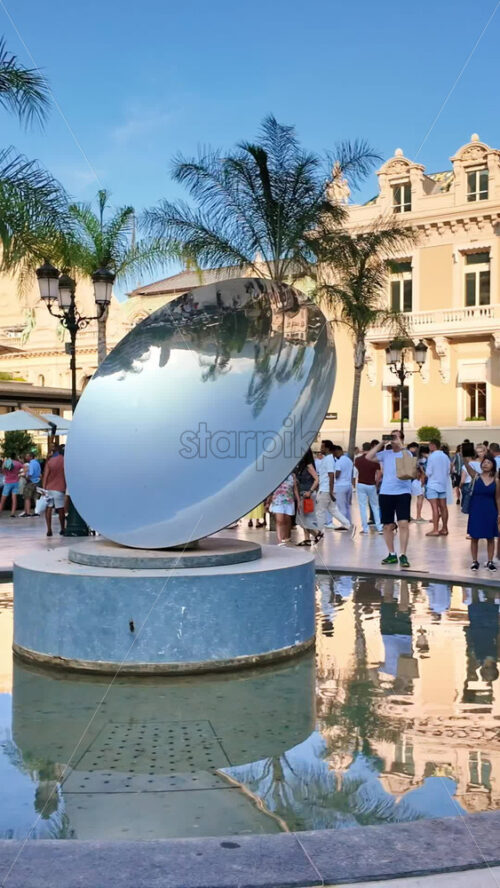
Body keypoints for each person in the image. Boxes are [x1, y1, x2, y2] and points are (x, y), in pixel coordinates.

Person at [365, 430, 413, 568]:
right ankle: (391, 554)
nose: (393, 439)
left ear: (402, 438)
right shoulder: (385, 454)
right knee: (387, 525)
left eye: (395, 436)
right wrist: (382, 443)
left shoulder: (406, 453)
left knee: (403, 523)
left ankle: (403, 554)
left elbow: (409, 463)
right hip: (386, 492)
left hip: (403, 492)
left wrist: (401, 445)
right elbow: (368, 457)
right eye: (391, 436)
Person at [463, 452, 500, 571]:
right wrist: (464, 457)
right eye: (484, 462)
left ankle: (490, 561)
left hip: (490, 510)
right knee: (474, 536)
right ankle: (474, 561)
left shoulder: (496, 480)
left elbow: (498, 498)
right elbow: (468, 469)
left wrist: (499, 513)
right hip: (476, 510)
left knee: (490, 537)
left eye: (488, 462)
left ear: (493, 465)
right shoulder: (476, 477)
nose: (485, 464)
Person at [316, 440, 355, 537]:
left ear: (328, 448)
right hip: (328, 489)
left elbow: (331, 475)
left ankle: (320, 532)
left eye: (322, 447)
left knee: (320, 511)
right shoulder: (330, 459)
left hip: (325, 490)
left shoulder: (328, 459)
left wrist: (330, 491)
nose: (321, 449)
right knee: (333, 510)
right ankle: (347, 524)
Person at [294, 448, 322, 546]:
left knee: (305, 518)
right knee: (302, 517)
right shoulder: (298, 468)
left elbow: (317, 479)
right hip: (302, 494)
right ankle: (307, 538)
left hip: (308, 495)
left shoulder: (308, 466)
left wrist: (310, 491)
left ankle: (317, 533)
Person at [355, 441, 383, 534]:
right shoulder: (374, 460)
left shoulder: (358, 460)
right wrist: (377, 482)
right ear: (371, 448)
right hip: (371, 484)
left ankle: (365, 529)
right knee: (375, 506)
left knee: (362, 507)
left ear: (362, 448)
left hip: (361, 484)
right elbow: (379, 472)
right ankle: (379, 527)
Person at [425, 439, 451, 536]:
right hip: (443, 484)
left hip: (433, 484)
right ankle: (444, 528)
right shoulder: (445, 457)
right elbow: (449, 470)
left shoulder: (432, 457)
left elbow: (428, 472)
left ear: (432, 445)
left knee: (434, 507)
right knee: (444, 507)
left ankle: (435, 529)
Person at [266, 472, 299, 546]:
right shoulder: (274, 475)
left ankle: (286, 537)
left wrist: (298, 501)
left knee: (287, 520)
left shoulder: (292, 475)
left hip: (289, 500)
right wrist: (268, 501)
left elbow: (295, 489)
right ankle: (280, 540)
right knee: (280, 520)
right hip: (277, 500)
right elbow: (270, 489)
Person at [41, 447, 66, 537]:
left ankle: (49, 529)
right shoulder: (64, 460)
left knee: (49, 508)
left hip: (49, 488)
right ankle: (62, 528)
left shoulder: (50, 461)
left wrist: (44, 488)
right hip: (59, 488)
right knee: (60, 509)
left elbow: (45, 476)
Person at [460, 443, 486, 517]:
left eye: (481, 451)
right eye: (478, 452)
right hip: (475, 488)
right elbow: (472, 475)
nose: (480, 453)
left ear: (485, 451)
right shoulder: (472, 463)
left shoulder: (488, 462)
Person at [333, 446, 354, 523]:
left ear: (338, 451)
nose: (335, 456)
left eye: (335, 453)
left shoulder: (339, 462)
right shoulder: (349, 460)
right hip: (348, 485)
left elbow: (337, 474)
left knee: (341, 507)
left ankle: (344, 524)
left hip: (340, 486)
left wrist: (332, 476)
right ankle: (349, 522)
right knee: (347, 506)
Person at [0, 453, 23, 517]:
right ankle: (12, 513)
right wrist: (19, 473)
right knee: (14, 498)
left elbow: (2, 470)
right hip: (16, 482)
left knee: (3, 499)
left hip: (8, 482)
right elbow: (25, 468)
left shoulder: (6, 462)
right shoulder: (18, 463)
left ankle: (0, 511)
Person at [19, 452, 42, 517]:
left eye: (27, 456)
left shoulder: (31, 463)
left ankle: (28, 512)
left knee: (27, 497)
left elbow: (30, 473)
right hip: (38, 481)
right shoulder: (37, 463)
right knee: (36, 497)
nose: (26, 457)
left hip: (31, 482)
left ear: (31, 457)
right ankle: (37, 512)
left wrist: (26, 477)